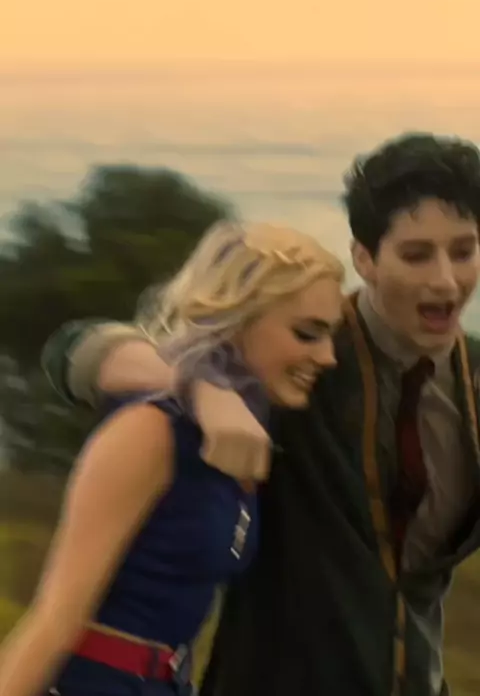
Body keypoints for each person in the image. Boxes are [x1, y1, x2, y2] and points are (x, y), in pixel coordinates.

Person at [41, 132, 480, 696]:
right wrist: (201, 385)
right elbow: (73, 349)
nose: (445, 280)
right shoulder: (299, 358)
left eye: (464, 251)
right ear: (365, 259)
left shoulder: (472, 385)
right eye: (416, 255)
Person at [0, 221, 345, 696]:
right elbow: (54, 617)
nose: (328, 357)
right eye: (307, 333)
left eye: (330, 336)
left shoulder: (249, 433)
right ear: (239, 318)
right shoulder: (151, 430)